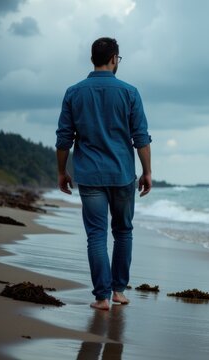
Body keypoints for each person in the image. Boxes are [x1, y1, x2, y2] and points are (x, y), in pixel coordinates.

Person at [55, 37, 152, 311]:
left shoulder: (74, 92)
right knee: (123, 231)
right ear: (114, 59)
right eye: (118, 59)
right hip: (122, 173)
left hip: (89, 175)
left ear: (93, 59)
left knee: (96, 235)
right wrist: (147, 172)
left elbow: (64, 138)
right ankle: (118, 290)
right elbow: (141, 138)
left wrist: (62, 172)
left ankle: (101, 298)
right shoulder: (130, 92)